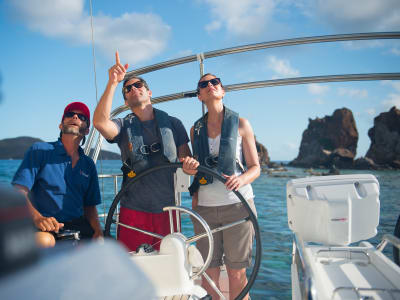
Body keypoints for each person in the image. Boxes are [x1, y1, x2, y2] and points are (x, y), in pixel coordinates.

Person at [93, 51, 198, 252]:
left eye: (138, 85)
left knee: (168, 265)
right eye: (128, 88)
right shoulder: (122, 125)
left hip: (168, 210)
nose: (133, 89)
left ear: (149, 93)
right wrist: (113, 83)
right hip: (133, 211)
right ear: (125, 101)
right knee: (133, 267)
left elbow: (188, 164)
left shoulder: (174, 124)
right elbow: (99, 122)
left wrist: (192, 167)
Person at [190, 74, 260, 300]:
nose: (210, 85)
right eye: (204, 84)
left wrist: (241, 179)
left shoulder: (242, 124)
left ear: (222, 91)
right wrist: (189, 169)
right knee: (208, 273)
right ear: (200, 96)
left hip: (238, 207)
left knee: (236, 273)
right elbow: (195, 169)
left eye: (215, 82)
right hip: (205, 209)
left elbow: (255, 167)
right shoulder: (195, 130)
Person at [12, 102, 103, 248]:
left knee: (111, 247)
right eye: (69, 114)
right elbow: (18, 192)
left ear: (87, 131)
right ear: (61, 125)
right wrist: (38, 218)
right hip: (44, 227)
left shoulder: (88, 165)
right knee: (44, 242)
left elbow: (89, 206)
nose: (74, 116)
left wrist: (98, 231)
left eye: (81, 117)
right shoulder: (39, 150)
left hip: (78, 226)